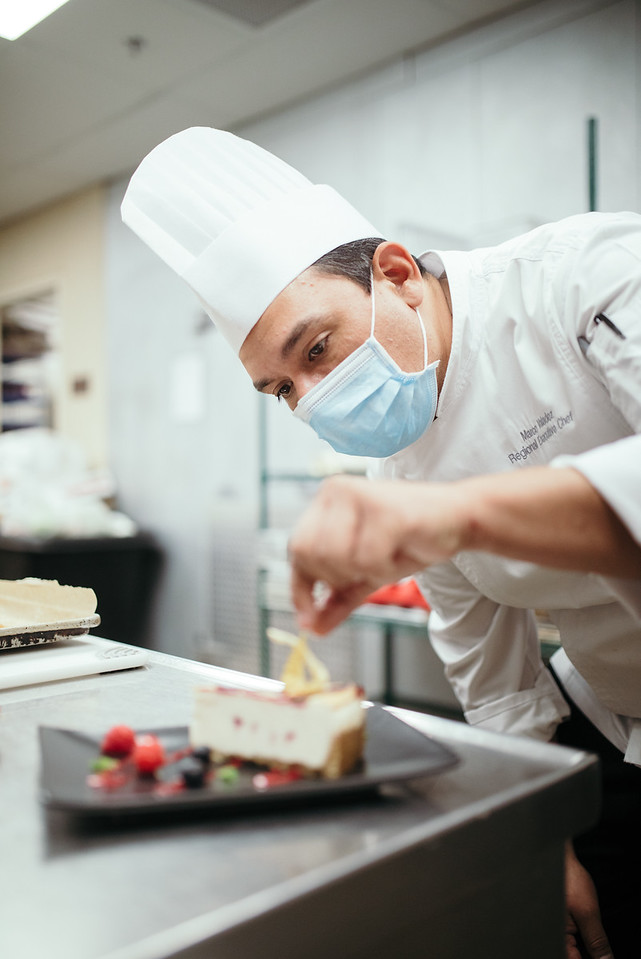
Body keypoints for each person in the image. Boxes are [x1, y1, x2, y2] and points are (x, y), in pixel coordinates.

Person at [122, 127, 641, 959]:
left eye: (317, 350)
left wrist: (462, 514)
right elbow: (492, 675)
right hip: (614, 723)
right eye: (282, 389)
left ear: (396, 275)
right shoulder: (397, 474)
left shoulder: (580, 280)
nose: (312, 400)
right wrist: (546, 840)